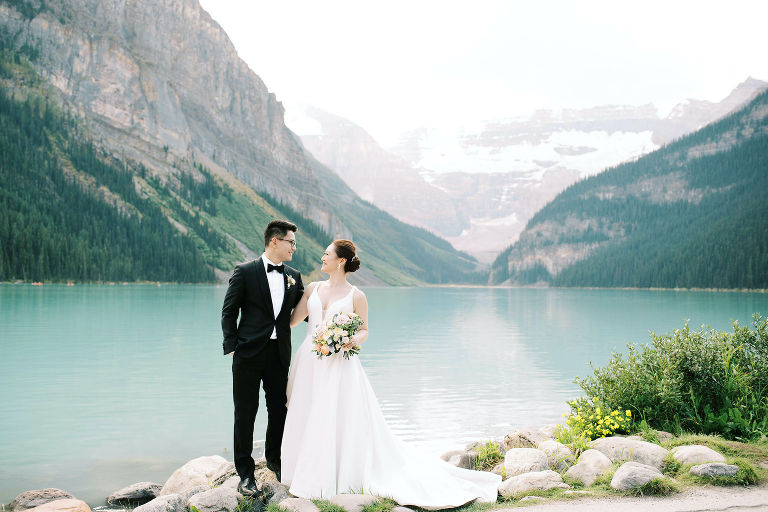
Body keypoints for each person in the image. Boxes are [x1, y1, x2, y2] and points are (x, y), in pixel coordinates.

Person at [281, 240, 500, 508]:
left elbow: (364, 331)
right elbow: (292, 320)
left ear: (340, 261)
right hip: (309, 360)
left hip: (339, 365)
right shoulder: (312, 288)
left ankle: (333, 476)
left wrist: (349, 341)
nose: (322, 257)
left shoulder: (356, 296)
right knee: (306, 412)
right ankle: (300, 473)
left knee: (335, 417)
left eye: (326, 254)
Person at [221, 220, 304, 496]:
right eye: (291, 242)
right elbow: (229, 311)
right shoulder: (245, 272)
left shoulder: (294, 275)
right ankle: (245, 475)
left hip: (278, 354)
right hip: (247, 354)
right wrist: (232, 346)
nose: (294, 246)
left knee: (279, 409)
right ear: (274, 241)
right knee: (245, 413)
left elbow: (306, 310)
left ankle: (274, 460)